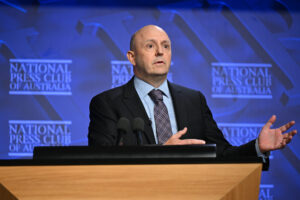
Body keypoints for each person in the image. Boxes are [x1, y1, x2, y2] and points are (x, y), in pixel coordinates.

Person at [88, 25, 297, 158]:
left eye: (166, 46)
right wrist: (160, 154)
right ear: (132, 57)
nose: (160, 51)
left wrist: (257, 147)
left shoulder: (193, 100)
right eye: (150, 46)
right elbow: (101, 160)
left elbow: (221, 154)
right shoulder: (106, 104)